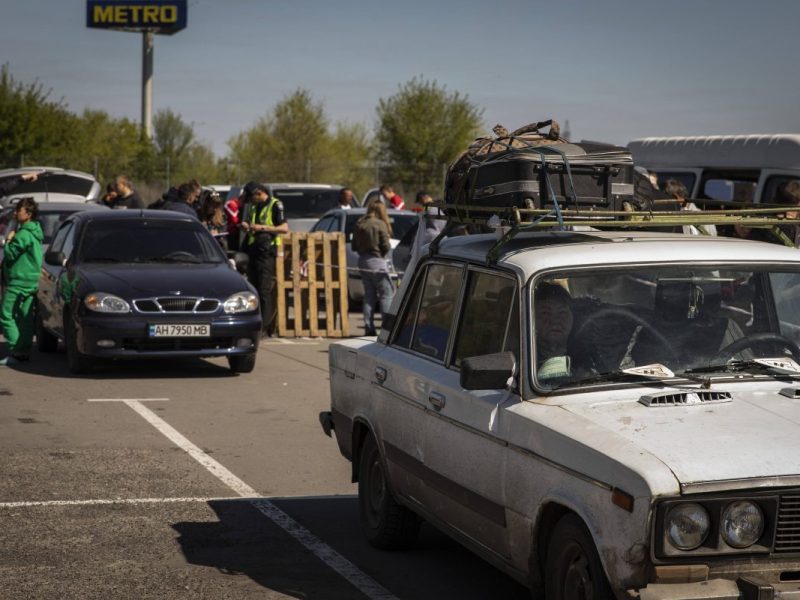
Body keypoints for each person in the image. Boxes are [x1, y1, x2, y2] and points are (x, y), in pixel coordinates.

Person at [240, 183, 289, 338]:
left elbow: (284, 228)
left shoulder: (276, 204)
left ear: (259, 192)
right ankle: (253, 324)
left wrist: (262, 228)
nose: (251, 201)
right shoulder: (254, 206)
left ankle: (263, 328)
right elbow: (252, 224)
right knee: (253, 290)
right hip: (253, 252)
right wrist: (247, 226)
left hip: (266, 253)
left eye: (252, 198)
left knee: (264, 291)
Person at [0, 197, 44, 365]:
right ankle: (24, 350)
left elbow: (11, 255)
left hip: (19, 280)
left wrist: (9, 240)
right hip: (31, 280)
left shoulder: (24, 234)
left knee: (6, 314)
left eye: (19, 211)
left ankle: (16, 350)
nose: (16, 213)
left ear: (28, 214)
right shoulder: (35, 231)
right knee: (24, 317)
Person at [352, 199, 394, 336]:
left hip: (362, 260)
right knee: (386, 295)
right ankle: (387, 328)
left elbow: (353, 246)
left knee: (369, 296)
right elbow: (386, 246)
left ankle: (368, 327)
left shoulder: (360, 223)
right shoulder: (380, 224)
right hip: (377, 261)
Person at [534, 282, 575, 379]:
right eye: (545, 313)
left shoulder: (586, 356)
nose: (555, 321)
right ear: (532, 319)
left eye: (562, 312)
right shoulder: (525, 359)